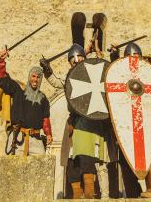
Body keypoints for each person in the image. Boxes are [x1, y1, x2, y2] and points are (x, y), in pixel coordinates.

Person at [40, 42, 114, 199]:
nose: (77, 61)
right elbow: (57, 83)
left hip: (95, 122)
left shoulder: (94, 73)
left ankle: (103, 195)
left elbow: (108, 73)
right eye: (73, 59)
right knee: (74, 159)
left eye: (80, 57)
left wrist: (109, 55)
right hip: (76, 123)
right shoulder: (71, 78)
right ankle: (78, 194)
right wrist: (48, 70)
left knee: (99, 160)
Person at [110, 42, 151, 199]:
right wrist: (114, 56)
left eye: (136, 56)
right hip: (125, 120)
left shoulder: (148, 72)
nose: (134, 59)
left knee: (150, 151)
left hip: (146, 118)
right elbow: (113, 80)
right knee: (125, 156)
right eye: (130, 56)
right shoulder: (122, 73)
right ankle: (133, 192)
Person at [0, 49, 52, 156]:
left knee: (41, 168)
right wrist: (1, 62)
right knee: (12, 170)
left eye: (38, 77)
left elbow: (45, 119)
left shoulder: (43, 99)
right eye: (33, 76)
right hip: (18, 138)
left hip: (36, 140)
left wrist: (48, 134)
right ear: (29, 77)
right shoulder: (17, 91)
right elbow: (2, 80)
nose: (35, 79)